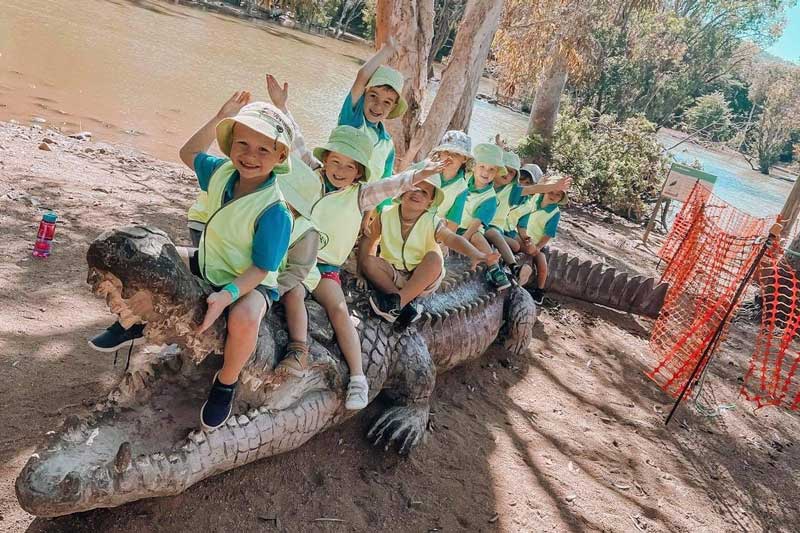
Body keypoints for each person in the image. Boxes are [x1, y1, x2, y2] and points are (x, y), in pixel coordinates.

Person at [177, 93, 294, 430]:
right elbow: (188, 153)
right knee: (158, 254)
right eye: (242, 143)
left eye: (263, 150)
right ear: (230, 146)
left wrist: (227, 294)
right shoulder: (222, 172)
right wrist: (219, 117)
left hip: (250, 281)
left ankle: (226, 382)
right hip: (212, 261)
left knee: (243, 317)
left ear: (280, 155)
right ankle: (132, 322)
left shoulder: (275, 210)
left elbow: (261, 269)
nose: (250, 156)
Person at [359, 179, 499, 326]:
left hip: (422, 276)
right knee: (368, 262)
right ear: (403, 191)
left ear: (430, 202)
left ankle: (398, 302)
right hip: (392, 272)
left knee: (434, 258)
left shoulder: (433, 221)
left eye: (424, 192)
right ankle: (402, 305)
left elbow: (452, 238)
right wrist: (360, 272)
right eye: (413, 187)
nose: (417, 193)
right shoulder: (385, 214)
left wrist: (476, 254)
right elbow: (369, 239)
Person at [338, 36, 405, 183]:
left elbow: (384, 180)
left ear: (393, 107)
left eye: (387, 102)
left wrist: (380, 207)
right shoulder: (353, 119)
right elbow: (362, 76)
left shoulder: (388, 144)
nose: (378, 106)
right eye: (373, 95)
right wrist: (386, 51)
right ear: (364, 94)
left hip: (364, 204)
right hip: (337, 199)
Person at [456, 143, 513, 290]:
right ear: (474, 166)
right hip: (451, 222)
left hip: (468, 229)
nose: (485, 172)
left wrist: (463, 239)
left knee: (476, 236)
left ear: (496, 173)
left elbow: (476, 222)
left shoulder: (490, 198)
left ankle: (494, 267)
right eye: (482, 166)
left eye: (491, 169)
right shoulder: (464, 179)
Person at [523, 175, 569, 305]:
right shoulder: (536, 198)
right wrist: (542, 183)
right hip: (520, 235)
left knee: (542, 264)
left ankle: (539, 292)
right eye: (551, 191)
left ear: (561, 198)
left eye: (558, 194)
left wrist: (538, 247)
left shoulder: (555, 213)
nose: (553, 196)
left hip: (537, 243)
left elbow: (548, 234)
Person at [423, 130, 472, 232]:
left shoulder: (462, 188)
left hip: (434, 228)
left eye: (457, 154)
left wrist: (440, 246)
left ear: (465, 159)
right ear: (440, 153)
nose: (450, 157)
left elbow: (453, 223)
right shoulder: (426, 170)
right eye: (446, 152)